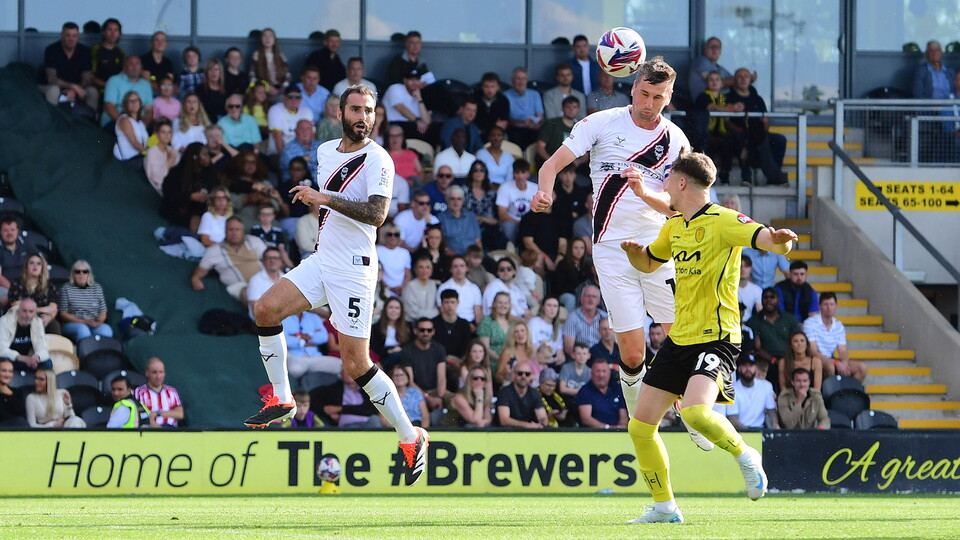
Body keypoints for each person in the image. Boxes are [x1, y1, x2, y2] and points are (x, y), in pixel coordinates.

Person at [245, 85, 428, 484]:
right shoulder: (325, 150)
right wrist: (323, 199)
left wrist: (322, 196)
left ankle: (411, 436)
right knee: (264, 309)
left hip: (354, 269)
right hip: (322, 259)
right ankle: (283, 396)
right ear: (340, 112)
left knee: (356, 364)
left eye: (369, 111)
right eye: (356, 110)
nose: (363, 117)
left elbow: (378, 215)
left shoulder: (379, 159)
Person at [618, 151, 797, 522]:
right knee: (640, 425)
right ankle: (665, 507)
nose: (663, 183)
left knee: (697, 412)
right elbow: (651, 261)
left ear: (681, 182)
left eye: (667, 177)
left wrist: (782, 242)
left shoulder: (724, 220)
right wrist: (636, 255)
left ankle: (746, 455)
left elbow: (769, 240)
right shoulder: (674, 225)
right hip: (680, 338)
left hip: (717, 336)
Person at [532, 57, 688, 425]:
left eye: (659, 97)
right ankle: (640, 423)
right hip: (611, 251)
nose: (649, 104)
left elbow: (676, 206)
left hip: (657, 247)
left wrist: (644, 192)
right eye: (645, 93)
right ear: (632, 87)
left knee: (680, 337)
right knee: (632, 354)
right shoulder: (601, 123)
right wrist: (544, 193)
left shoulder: (675, 140)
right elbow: (550, 166)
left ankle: (692, 412)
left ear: (669, 97)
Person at [725, 68, 786, 185]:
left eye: (746, 76)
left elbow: (766, 121)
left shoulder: (758, 99)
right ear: (734, 80)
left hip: (759, 134)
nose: (743, 79)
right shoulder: (727, 97)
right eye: (740, 77)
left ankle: (774, 175)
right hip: (738, 133)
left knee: (779, 140)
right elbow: (725, 121)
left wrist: (764, 127)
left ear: (750, 80)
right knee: (740, 139)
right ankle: (746, 177)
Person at [191, 216, 267, 303]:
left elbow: (269, 258)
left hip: (263, 281)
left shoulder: (254, 241)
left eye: (237, 229)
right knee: (249, 292)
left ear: (243, 231)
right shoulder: (214, 250)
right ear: (225, 231)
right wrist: (195, 279)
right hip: (239, 286)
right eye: (231, 229)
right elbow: (201, 270)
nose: (234, 233)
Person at [803, 292, 867, 382]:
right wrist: (836, 363)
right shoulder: (810, 323)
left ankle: (848, 394)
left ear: (836, 306)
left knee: (862, 367)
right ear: (819, 306)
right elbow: (813, 351)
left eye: (831, 304)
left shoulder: (839, 325)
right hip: (815, 359)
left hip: (831, 360)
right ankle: (829, 395)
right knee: (830, 367)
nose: (829, 308)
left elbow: (843, 350)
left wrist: (844, 363)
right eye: (825, 304)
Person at [693, 71, 741, 184]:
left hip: (721, 133)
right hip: (705, 133)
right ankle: (707, 177)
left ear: (722, 83)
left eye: (717, 79)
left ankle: (725, 176)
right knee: (709, 146)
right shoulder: (703, 96)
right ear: (707, 83)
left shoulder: (724, 98)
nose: (714, 82)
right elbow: (713, 107)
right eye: (711, 80)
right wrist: (730, 109)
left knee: (729, 142)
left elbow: (728, 119)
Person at [748, 287, 801, 389]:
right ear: (761, 300)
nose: (768, 300)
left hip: (788, 359)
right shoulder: (754, 321)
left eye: (772, 297)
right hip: (764, 361)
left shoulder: (789, 319)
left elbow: (797, 340)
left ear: (778, 300)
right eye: (765, 297)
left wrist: (787, 359)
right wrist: (774, 360)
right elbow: (756, 348)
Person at [39, 22, 98, 110]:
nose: (71, 39)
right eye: (68, 35)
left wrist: (74, 90)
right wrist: (72, 86)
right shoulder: (52, 50)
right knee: (54, 90)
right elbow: (51, 79)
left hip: (77, 88)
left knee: (92, 91)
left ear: (78, 37)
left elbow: (87, 79)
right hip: (50, 86)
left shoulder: (84, 51)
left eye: (74, 36)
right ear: (62, 36)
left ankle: (89, 122)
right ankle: (52, 122)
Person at [160, 143, 217, 232]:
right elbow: (169, 195)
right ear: (195, 156)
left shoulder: (211, 173)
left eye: (208, 154)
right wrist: (191, 196)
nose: (208, 157)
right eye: (205, 154)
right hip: (178, 210)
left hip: (203, 210)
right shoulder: (176, 173)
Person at [398, 318, 447, 414]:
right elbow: (410, 381)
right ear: (415, 331)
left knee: (454, 401)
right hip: (414, 391)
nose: (426, 333)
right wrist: (428, 398)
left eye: (429, 330)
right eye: (422, 330)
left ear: (433, 332)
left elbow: (442, 378)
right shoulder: (407, 351)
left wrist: (439, 398)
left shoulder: (439, 349)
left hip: (435, 391)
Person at [717, 356, 779, 430]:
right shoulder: (732, 390)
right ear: (739, 368)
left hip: (761, 430)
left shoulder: (766, 386)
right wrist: (751, 433)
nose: (748, 369)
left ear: (756, 368)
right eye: (744, 366)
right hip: (740, 432)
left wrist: (776, 426)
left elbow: (771, 412)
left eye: (751, 366)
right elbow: (733, 420)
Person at [58, 261, 112, 341]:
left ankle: (102, 352)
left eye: (85, 271)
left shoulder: (97, 288)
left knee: (106, 330)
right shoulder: (66, 288)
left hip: (93, 322)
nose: (81, 274)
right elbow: (63, 314)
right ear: (73, 274)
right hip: (75, 323)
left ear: (89, 274)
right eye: (77, 272)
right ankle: (84, 353)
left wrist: (99, 321)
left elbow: (103, 311)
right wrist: (84, 322)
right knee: (83, 330)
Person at [7, 254, 60, 335]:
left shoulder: (50, 285)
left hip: (43, 318)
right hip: (23, 317)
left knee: (54, 324)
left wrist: (49, 317)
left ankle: (55, 348)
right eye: (32, 263)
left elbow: (53, 309)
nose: (35, 266)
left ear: (42, 268)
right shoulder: (17, 283)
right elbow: (16, 306)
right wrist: (43, 309)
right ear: (26, 267)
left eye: (39, 263)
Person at [282, 309, 338, 377]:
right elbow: (285, 341)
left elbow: (323, 337)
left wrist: (298, 335)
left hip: (315, 357)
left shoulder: (313, 317)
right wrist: (304, 340)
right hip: (296, 357)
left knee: (341, 366)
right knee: (296, 370)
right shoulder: (282, 319)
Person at [101, 55, 154, 128]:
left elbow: (149, 110)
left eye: (137, 64)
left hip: (139, 122)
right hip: (115, 120)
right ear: (124, 67)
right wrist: (127, 125)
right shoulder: (114, 80)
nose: (134, 67)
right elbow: (109, 107)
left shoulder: (146, 84)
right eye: (131, 64)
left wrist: (143, 126)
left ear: (141, 67)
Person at [0, 298, 52, 372]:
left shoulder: (37, 322)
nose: (27, 315)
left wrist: (37, 357)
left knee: (47, 363)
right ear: (18, 311)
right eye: (24, 311)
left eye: (31, 312)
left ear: (34, 313)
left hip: (30, 360)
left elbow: (42, 348)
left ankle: (39, 382)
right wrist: (22, 358)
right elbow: (1, 350)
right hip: (12, 359)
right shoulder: (4, 321)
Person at [496, 159, 537, 247]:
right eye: (517, 172)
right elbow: (502, 215)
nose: (520, 176)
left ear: (528, 174)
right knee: (508, 226)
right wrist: (520, 223)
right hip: (513, 222)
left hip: (531, 223)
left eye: (523, 172)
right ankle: (510, 250)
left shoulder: (535, 188)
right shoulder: (505, 188)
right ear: (513, 174)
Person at [383, 68, 432, 141]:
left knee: (430, 129)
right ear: (405, 80)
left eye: (417, 80)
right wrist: (417, 120)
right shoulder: (395, 88)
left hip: (410, 126)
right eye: (411, 79)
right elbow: (400, 108)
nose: (414, 82)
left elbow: (427, 121)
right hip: (392, 125)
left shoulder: (418, 96)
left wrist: (419, 99)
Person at [135, 357, 185, 428]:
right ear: (147, 373)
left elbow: (180, 414)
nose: (158, 376)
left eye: (161, 372)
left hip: (171, 430)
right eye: (154, 372)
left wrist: (158, 414)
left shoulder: (172, 391)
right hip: (149, 432)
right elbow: (140, 417)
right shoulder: (139, 392)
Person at [578, 360, 628, 429]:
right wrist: (608, 428)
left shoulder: (617, 389)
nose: (601, 375)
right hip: (594, 434)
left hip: (617, 434)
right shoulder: (585, 391)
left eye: (604, 371)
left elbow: (623, 417)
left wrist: (621, 427)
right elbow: (586, 419)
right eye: (598, 371)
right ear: (591, 373)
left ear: (609, 373)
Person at [496, 360, 547, 428]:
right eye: (520, 373)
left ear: (531, 376)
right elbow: (504, 420)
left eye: (527, 374)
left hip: (529, 434)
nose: (523, 376)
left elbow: (542, 417)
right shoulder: (504, 392)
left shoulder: (535, 393)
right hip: (506, 434)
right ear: (514, 375)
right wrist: (526, 425)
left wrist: (542, 423)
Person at [266, 84, 314, 156]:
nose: (294, 100)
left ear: (301, 99)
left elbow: (312, 135)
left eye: (297, 97)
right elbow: (277, 136)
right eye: (290, 97)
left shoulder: (307, 111)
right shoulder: (275, 110)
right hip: (280, 153)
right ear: (283, 98)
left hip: (303, 152)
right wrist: (284, 158)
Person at [503, 67, 544, 149]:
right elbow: (507, 119)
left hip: (533, 127)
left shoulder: (534, 94)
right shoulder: (505, 96)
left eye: (524, 79)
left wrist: (537, 125)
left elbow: (540, 116)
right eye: (518, 79)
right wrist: (523, 122)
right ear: (512, 80)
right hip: (515, 128)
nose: (521, 82)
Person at [561, 285, 606, 359]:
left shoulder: (605, 317)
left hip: (601, 358)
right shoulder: (573, 317)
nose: (590, 299)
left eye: (594, 297)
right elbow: (569, 348)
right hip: (579, 358)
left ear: (599, 301)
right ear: (581, 299)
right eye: (587, 296)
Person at [536, 96, 582, 167]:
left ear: (578, 110)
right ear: (562, 108)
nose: (571, 110)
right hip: (552, 163)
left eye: (574, 107)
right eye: (568, 107)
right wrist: (551, 162)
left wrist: (579, 162)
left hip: (571, 166)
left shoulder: (580, 127)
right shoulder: (551, 123)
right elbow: (540, 147)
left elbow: (585, 154)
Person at [436, 256, 483, 324]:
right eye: (455, 266)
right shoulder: (444, 288)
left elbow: (478, 312)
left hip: (472, 325)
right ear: (451, 269)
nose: (459, 269)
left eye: (462, 266)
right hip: (452, 323)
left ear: (467, 268)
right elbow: (443, 311)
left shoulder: (474, 288)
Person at [438, 186, 481, 256]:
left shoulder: (471, 217)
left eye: (459, 199)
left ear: (463, 201)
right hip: (452, 256)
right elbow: (440, 243)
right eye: (452, 199)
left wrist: (479, 256)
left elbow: (477, 241)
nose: (456, 202)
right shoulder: (441, 218)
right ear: (447, 200)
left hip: (471, 256)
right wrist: (447, 251)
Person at [249, 28, 291, 98]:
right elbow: (252, 77)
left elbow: (288, 76)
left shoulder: (281, 56)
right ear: (261, 39)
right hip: (262, 90)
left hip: (280, 90)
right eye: (265, 36)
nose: (267, 39)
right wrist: (266, 87)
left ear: (274, 40)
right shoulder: (256, 55)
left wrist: (280, 90)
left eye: (270, 36)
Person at [371, 297, 411, 368]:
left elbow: (410, 346)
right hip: (383, 360)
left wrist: (400, 349)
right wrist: (389, 351)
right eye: (390, 307)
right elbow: (374, 349)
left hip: (403, 360)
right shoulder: (376, 328)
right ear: (385, 310)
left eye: (397, 308)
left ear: (401, 311)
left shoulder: (408, 327)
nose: (393, 310)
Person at [278, 119, 322, 184]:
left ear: (312, 132)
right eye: (302, 129)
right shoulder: (289, 149)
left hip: (323, 185)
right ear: (296, 131)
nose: (305, 131)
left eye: (308, 129)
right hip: (299, 186)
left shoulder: (320, 145)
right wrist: (302, 159)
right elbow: (293, 168)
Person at [246, 247, 285, 319]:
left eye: (275, 258)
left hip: (287, 319)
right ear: (263, 261)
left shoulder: (286, 278)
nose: (272, 261)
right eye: (269, 258)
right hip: (265, 321)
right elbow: (256, 310)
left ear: (281, 261)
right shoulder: (255, 280)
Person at [433, 290, 472, 359]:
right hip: (438, 360)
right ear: (442, 304)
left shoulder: (464, 324)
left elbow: (467, 346)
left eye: (452, 302)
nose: (450, 306)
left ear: (458, 303)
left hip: (459, 361)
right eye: (446, 302)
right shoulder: (434, 323)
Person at [477, 291, 513, 366]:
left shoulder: (512, 323)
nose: (503, 306)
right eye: (500, 303)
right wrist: (501, 360)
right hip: (492, 362)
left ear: (509, 305)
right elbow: (485, 348)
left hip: (511, 362)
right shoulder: (487, 322)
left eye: (506, 303)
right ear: (494, 304)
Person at [495, 320, 535, 386]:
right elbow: (497, 376)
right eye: (516, 332)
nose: (520, 334)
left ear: (527, 333)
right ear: (512, 335)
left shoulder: (532, 352)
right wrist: (508, 377)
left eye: (522, 330)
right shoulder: (507, 352)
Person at [144, 118, 179, 194]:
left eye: (169, 132)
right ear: (157, 134)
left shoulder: (173, 151)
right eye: (163, 132)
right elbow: (157, 179)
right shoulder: (152, 152)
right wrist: (169, 161)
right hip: (158, 191)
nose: (167, 135)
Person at [377, 224, 412, 296]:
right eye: (390, 234)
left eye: (396, 234)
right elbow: (376, 273)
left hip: (401, 292)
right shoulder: (378, 250)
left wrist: (402, 288)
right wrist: (389, 288)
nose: (393, 237)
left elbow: (407, 274)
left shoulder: (404, 252)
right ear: (385, 236)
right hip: (382, 291)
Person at [91, 18, 125, 91]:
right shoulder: (95, 50)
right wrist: (107, 85)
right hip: (98, 88)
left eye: (116, 30)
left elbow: (124, 72)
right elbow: (90, 76)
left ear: (119, 33)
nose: (113, 33)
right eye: (110, 29)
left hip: (116, 88)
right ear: (103, 32)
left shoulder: (120, 53)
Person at [473, 72, 511, 137]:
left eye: (492, 86)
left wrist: (484, 129)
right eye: (486, 87)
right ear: (482, 87)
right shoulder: (474, 98)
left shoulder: (504, 101)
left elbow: (502, 125)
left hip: (496, 134)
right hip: (477, 133)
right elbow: (472, 121)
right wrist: (494, 124)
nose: (489, 90)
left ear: (498, 87)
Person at [527, 296, 563, 363]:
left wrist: (559, 358)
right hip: (537, 360)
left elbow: (559, 351)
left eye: (555, 306)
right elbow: (532, 347)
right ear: (543, 307)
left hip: (552, 361)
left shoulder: (558, 328)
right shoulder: (534, 322)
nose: (552, 309)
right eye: (549, 305)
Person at [402, 257, 439, 322]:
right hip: (413, 322)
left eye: (428, 267)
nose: (424, 270)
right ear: (416, 270)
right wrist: (435, 313)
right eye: (421, 267)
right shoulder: (410, 286)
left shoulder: (433, 285)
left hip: (431, 322)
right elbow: (411, 311)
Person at [0, 358, 28, 427]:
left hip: (15, 430)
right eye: (4, 371)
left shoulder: (17, 392)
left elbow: (22, 415)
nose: (7, 374)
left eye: (10, 371)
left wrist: (10, 394)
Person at [738, 254, 763, 322]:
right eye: (740, 266)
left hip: (749, 324)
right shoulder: (728, 288)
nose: (743, 269)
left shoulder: (757, 290)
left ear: (751, 268)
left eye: (746, 266)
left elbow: (760, 312)